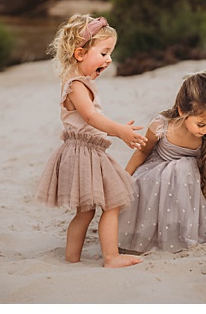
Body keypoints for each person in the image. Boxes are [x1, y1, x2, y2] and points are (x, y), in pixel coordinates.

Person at [36, 14, 146, 267]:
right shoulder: (76, 85)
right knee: (112, 202)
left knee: (86, 212)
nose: (109, 60)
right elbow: (91, 117)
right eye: (104, 53)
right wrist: (118, 130)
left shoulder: (77, 83)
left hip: (85, 150)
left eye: (110, 54)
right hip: (84, 154)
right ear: (80, 54)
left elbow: (89, 122)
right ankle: (111, 257)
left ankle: (72, 259)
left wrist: (113, 129)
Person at [119, 72, 206, 253]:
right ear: (182, 111)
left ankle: (181, 232)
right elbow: (141, 153)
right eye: (202, 125)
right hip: (155, 181)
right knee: (156, 178)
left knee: (184, 168)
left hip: (192, 188)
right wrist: (123, 180)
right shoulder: (161, 126)